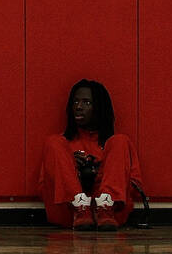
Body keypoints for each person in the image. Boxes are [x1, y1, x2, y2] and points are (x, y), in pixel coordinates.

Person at [39, 79, 144, 231]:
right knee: (53, 141)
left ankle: (105, 206)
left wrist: (102, 171)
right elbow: (43, 187)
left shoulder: (113, 145)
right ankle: (80, 207)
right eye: (75, 102)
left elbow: (135, 187)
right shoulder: (61, 145)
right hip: (70, 212)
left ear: (99, 108)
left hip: (110, 214)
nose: (79, 107)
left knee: (120, 140)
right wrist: (70, 168)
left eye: (86, 103)